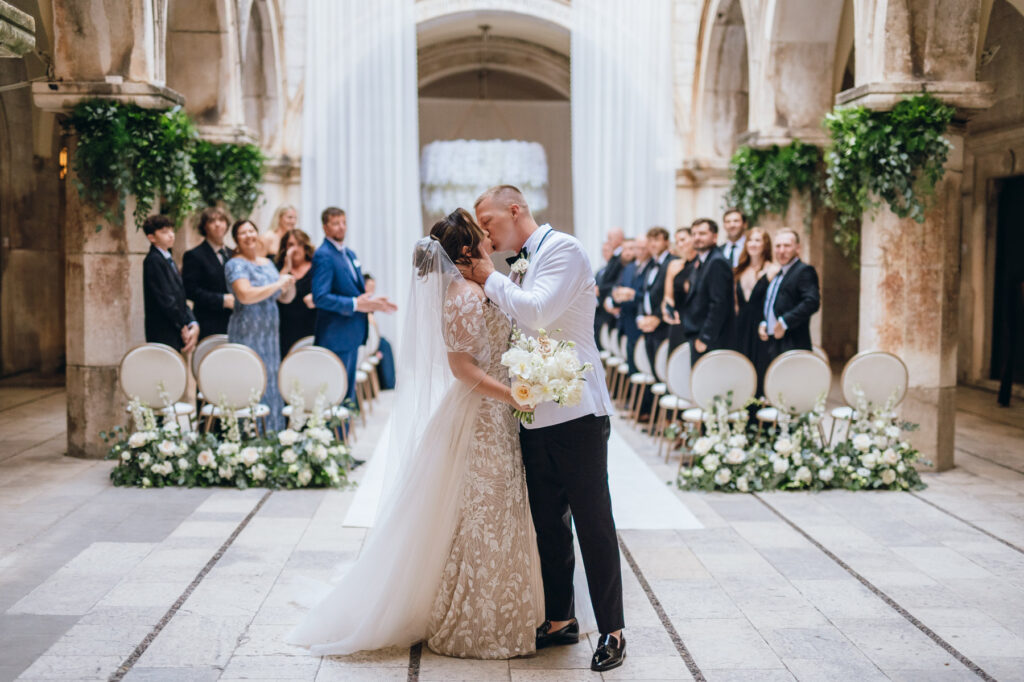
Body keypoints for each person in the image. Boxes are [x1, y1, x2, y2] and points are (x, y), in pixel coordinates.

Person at [286, 210, 544, 660]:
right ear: (466, 251)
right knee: (481, 512)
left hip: (499, 413)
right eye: (482, 234)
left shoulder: (485, 286)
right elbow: (462, 369)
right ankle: (474, 617)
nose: (489, 238)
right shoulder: (463, 295)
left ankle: (508, 608)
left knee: (498, 511)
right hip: (482, 414)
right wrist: (513, 395)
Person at [463, 185, 625, 673]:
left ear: (516, 210)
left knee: (593, 522)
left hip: (577, 411)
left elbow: (536, 311)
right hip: (533, 409)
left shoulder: (564, 250)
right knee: (548, 522)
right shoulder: (519, 264)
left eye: (488, 222)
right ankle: (561, 619)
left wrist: (489, 277)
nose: (485, 233)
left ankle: (613, 630)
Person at [312, 207, 397, 404]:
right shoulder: (323, 255)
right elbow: (320, 297)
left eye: (343, 222)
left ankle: (344, 434)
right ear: (325, 227)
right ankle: (336, 434)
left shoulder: (349, 253)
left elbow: (355, 292)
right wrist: (355, 304)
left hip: (352, 333)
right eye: (335, 223)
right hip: (335, 335)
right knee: (335, 396)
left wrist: (372, 303)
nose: (341, 227)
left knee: (348, 396)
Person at [225, 219, 296, 430]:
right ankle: (249, 439)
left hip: (270, 334)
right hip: (248, 332)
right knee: (250, 381)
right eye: (242, 233)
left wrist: (288, 286)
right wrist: (277, 284)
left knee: (271, 383)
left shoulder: (267, 263)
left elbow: (283, 297)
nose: (248, 235)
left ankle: (273, 436)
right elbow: (245, 295)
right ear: (236, 240)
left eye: (251, 230)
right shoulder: (235, 264)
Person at [758, 228, 821, 362]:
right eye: (778, 246)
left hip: (792, 342)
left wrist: (785, 322)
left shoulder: (804, 270)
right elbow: (770, 302)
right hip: (772, 342)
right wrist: (764, 322)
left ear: (797, 248)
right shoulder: (779, 273)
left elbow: (812, 302)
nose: (781, 251)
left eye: (787, 246)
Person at [142, 214, 198, 353]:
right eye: (164, 232)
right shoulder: (153, 260)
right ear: (151, 237)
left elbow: (180, 296)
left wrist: (192, 322)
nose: (171, 235)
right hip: (164, 330)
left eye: (171, 230)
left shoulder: (167, 258)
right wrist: (183, 327)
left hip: (175, 329)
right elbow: (166, 299)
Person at [732, 228, 778, 395]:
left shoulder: (773, 270)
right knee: (741, 368)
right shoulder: (738, 271)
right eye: (750, 240)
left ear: (765, 245)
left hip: (761, 326)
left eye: (758, 240)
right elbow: (735, 304)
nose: (753, 244)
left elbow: (775, 303)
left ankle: (759, 414)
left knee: (760, 368)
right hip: (741, 326)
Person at [681, 218, 733, 366]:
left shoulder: (717, 262)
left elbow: (719, 303)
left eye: (702, 233)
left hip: (710, 339)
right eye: (694, 234)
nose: (697, 237)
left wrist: (705, 337)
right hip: (696, 333)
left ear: (715, 237)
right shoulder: (703, 260)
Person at [183, 207, 234, 340]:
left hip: (234, 323)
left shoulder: (234, 254)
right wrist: (222, 300)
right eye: (212, 221)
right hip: (209, 323)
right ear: (204, 226)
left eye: (221, 220)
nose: (217, 224)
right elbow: (190, 290)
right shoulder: (194, 255)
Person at [276, 229, 317, 358]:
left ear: (305, 246)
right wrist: (286, 267)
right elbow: (275, 291)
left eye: (299, 244)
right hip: (285, 328)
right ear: (285, 248)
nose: (296, 249)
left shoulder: (316, 267)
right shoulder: (278, 268)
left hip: (311, 325)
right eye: (291, 245)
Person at [610, 237, 647, 374]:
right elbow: (619, 288)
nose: (638, 251)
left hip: (640, 323)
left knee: (642, 367)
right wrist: (616, 297)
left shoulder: (649, 267)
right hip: (626, 322)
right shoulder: (629, 268)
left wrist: (632, 295)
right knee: (631, 366)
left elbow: (647, 295)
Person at [662, 227, 698, 353]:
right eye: (677, 242)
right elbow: (667, 296)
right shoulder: (674, 265)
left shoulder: (702, 264)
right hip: (677, 321)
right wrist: (668, 311)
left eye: (683, 239)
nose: (680, 244)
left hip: (696, 322)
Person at [363, 273, 397, 390]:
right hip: (364, 343)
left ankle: (390, 383)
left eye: (374, 288)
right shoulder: (362, 305)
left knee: (385, 343)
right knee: (384, 345)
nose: (372, 291)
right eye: (370, 287)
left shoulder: (370, 305)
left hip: (371, 340)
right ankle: (388, 384)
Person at [594, 228, 625, 346]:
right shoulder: (602, 269)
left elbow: (616, 282)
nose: (609, 241)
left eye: (611, 238)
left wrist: (600, 290)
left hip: (610, 309)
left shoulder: (620, 259)